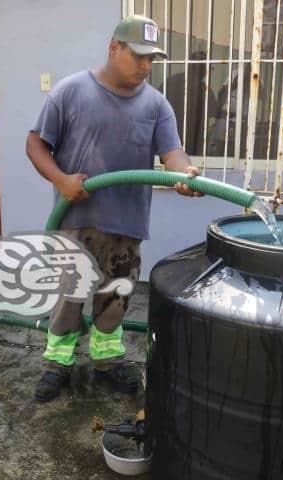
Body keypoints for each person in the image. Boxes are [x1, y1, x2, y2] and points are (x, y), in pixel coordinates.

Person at [26, 15, 203, 402]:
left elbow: (171, 152)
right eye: (138, 56)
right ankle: (58, 363)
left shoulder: (156, 105)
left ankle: (107, 360)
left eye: (151, 59)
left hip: (126, 224)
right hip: (73, 223)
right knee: (67, 299)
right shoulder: (70, 92)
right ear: (113, 48)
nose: (145, 66)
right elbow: (36, 145)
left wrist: (183, 173)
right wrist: (61, 180)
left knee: (115, 297)